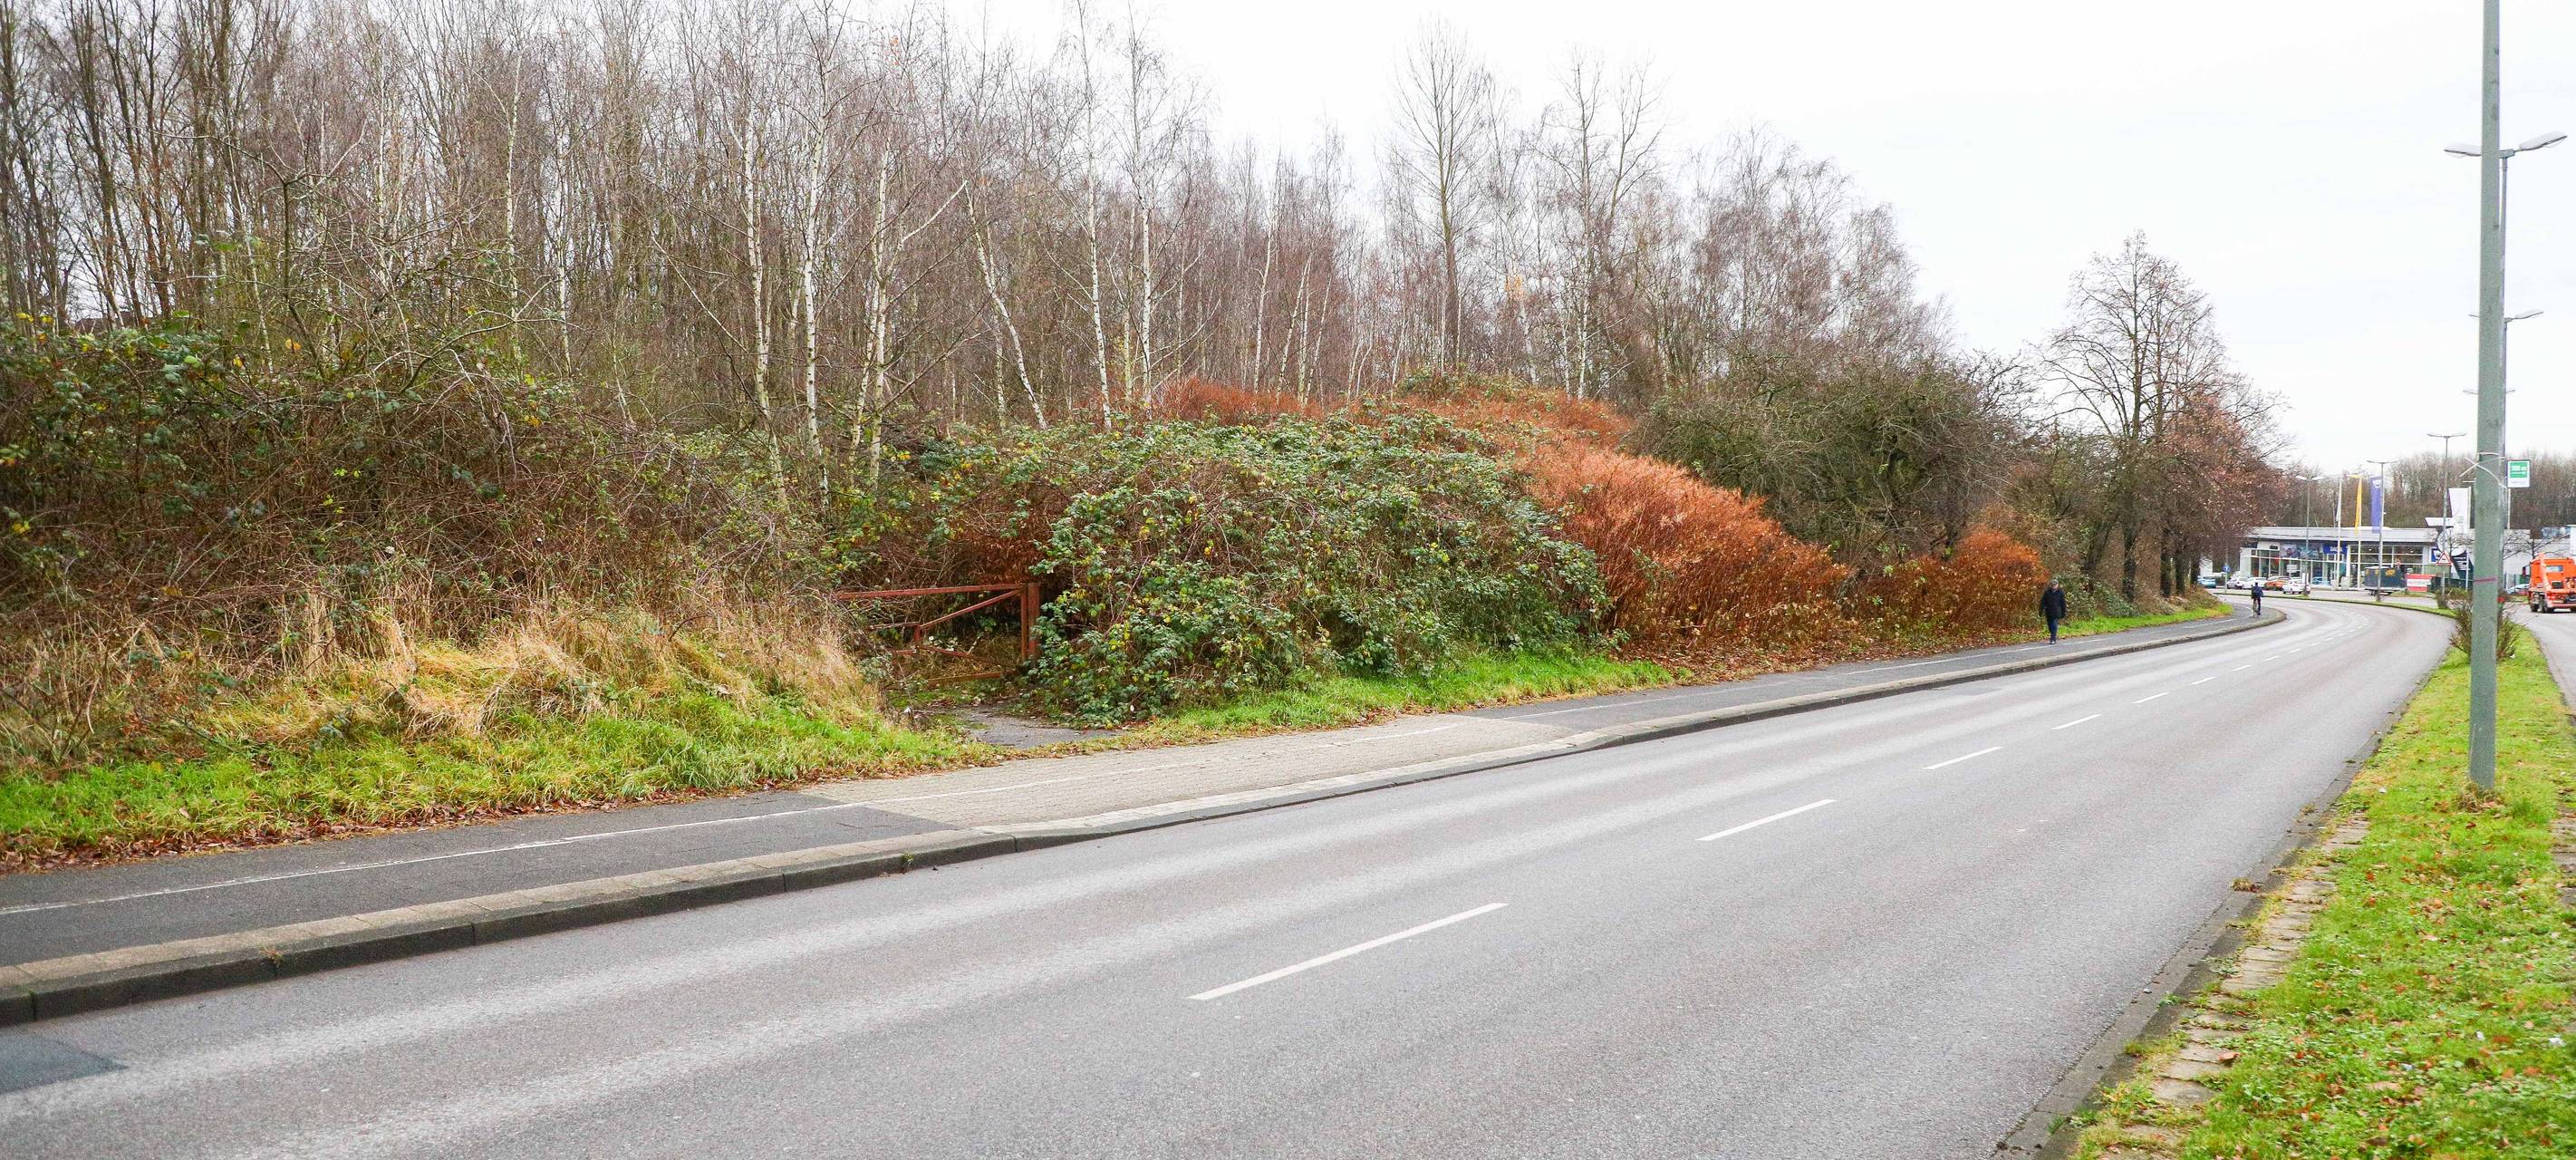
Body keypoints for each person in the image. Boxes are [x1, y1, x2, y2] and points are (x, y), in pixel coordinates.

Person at [2040, 579, 2068, 643]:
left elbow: (2063, 603)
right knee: (2050, 626)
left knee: (2054, 624)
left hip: (2057, 612)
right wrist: (2040, 610)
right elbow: (2043, 602)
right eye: (2052, 585)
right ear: (2050, 585)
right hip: (2049, 611)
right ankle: (2053, 635)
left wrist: (2063, 612)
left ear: (2057, 585)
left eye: (2055, 585)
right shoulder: (2047, 592)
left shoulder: (2061, 592)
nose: (2053, 586)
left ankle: (2052, 639)